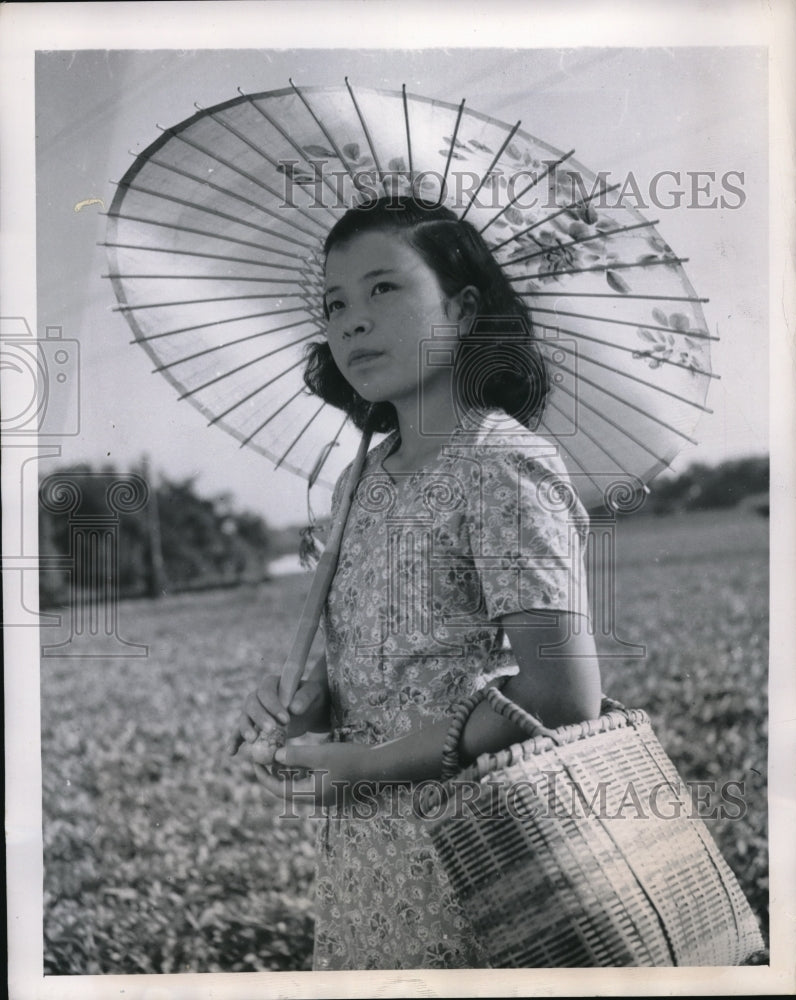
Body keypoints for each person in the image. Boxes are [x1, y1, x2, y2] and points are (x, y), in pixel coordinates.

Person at [228, 195, 601, 970]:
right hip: (365, 865)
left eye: (383, 289)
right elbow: (398, 648)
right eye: (334, 305)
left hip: (477, 852)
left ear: (464, 311)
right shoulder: (356, 481)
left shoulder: (500, 464)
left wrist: (362, 765)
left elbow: (564, 696)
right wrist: (310, 700)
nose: (352, 321)